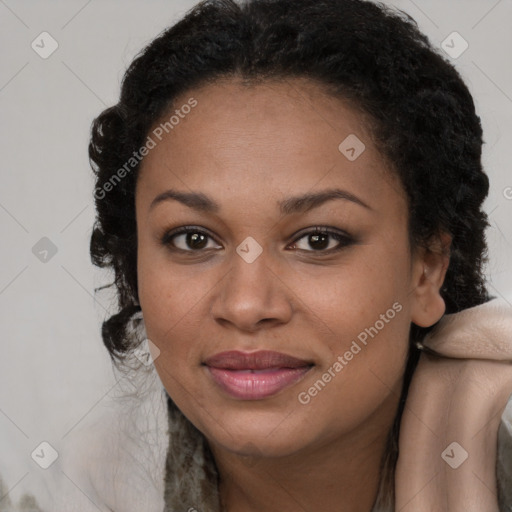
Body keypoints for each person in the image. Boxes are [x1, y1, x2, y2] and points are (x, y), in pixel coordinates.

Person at [6, 0, 511, 511]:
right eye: (193, 239)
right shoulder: (57, 494)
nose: (247, 304)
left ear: (426, 269)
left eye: (318, 240)